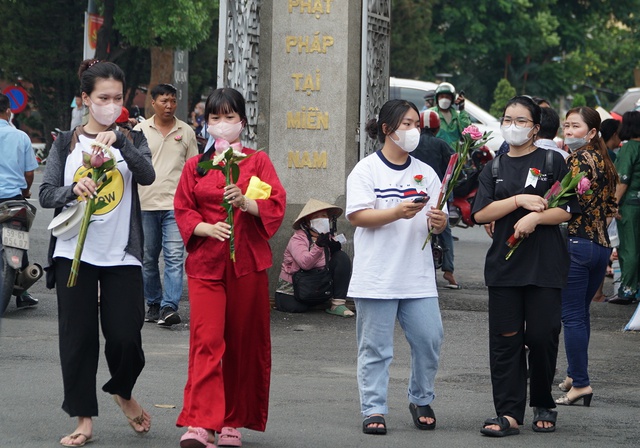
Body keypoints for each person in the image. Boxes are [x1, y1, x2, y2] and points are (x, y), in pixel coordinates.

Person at [39, 59, 155, 446]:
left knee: (126, 336)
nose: (110, 104)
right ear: (86, 98)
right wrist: (74, 190)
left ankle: (123, 391)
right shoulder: (64, 143)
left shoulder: (132, 138)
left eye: (117, 98)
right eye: (103, 97)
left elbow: (147, 176)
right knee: (78, 339)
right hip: (74, 255)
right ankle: (83, 419)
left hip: (121, 255)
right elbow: (45, 193)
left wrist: (121, 139)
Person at [173, 87, 286, 448]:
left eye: (229, 117)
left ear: (243, 121)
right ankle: (200, 422)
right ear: (205, 123)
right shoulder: (196, 165)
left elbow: (275, 203)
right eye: (215, 118)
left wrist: (246, 201)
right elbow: (182, 206)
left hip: (247, 264)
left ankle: (231, 421)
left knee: (241, 341)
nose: (222, 125)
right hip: (206, 263)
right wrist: (203, 227)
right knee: (206, 340)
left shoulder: (258, 162)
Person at [472, 96, 579, 437]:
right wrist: (517, 201)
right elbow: (480, 214)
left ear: (535, 127)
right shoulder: (494, 167)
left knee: (542, 335)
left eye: (521, 121)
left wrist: (536, 217)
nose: (512, 126)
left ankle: (544, 400)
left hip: (545, 266)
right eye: (508, 119)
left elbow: (567, 209)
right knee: (506, 340)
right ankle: (508, 412)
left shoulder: (552, 161)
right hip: (505, 268)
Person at [346, 99, 448, 435]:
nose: (413, 130)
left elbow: (437, 221)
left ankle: (420, 397)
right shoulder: (366, 170)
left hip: (416, 276)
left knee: (429, 339)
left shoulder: (426, 172)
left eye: (416, 124)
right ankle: (373, 408)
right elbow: (358, 216)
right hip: (376, 277)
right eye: (406, 124)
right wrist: (396, 212)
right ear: (387, 129)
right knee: (375, 348)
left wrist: (439, 222)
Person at [555, 107, 618, 407]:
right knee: (581, 313)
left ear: (592, 133)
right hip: (600, 246)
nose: (569, 131)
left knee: (572, 316)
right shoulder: (606, 162)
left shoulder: (577, 160)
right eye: (566, 126)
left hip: (578, 245)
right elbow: (610, 209)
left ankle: (580, 383)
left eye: (575, 127)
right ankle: (573, 374)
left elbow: (565, 204)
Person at [134, 84, 198, 327]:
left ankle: (169, 307)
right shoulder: (140, 130)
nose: (169, 105)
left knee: (174, 257)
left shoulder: (187, 132)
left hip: (176, 206)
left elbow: (193, 170)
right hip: (145, 204)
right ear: (153, 103)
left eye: (172, 101)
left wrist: (193, 203)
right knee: (148, 258)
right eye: (164, 101)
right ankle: (153, 302)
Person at [276, 199, 354, 316]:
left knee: (341, 257)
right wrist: (318, 246)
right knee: (298, 308)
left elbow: (337, 266)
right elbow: (305, 264)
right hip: (295, 288)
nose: (321, 219)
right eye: (316, 217)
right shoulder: (298, 238)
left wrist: (334, 250)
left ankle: (338, 304)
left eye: (324, 216)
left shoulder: (330, 238)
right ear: (307, 223)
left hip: (317, 285)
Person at [0, 92, 40, 310]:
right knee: (18, 239)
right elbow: (29, 173)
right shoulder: (21, 136)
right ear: (8, 111)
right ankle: (23, 292)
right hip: (13, 200)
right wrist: (25, 191)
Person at [412, 109, 460, 288]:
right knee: (444, 229)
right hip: (438, 195)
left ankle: (425, 272)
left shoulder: (412, 144)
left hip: (415, 194)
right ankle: (449, 271)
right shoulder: (442, 145)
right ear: (437, 127)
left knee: (419, 229)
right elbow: (454, 167)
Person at [608, 111, 640, 305]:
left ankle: (627, 290)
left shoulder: (629, 149)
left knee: (629, 248)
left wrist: (613, 204)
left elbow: (623, 180)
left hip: (629, 205)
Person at [430, 82, 471, 149]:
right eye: (442, 96)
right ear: (437, 98)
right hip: (436, 154)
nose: (444, 99)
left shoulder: (458, 116)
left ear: (452, 99)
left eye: (447, 97)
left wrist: (462, 110)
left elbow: (467, 134)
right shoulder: (430, 114)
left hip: (454, 155)